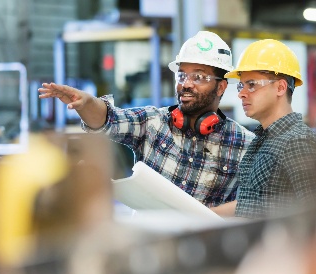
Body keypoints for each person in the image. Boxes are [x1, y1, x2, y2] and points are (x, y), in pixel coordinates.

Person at [38, 31, 255, 208]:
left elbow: (252, 206)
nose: (186, 84)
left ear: (222, 86)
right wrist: (86, 103)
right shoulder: (153, 122)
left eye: (198, 76)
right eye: (182, 75)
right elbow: (108, 119)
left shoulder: (244, 144)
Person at [211, 39, 316, 219]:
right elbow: (249, 204)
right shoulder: (262, 141)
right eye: (242, 85)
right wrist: (200, 215)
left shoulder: (298, 143)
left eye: (252, 84)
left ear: (280, 87)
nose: (241, 93)